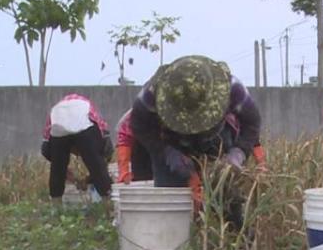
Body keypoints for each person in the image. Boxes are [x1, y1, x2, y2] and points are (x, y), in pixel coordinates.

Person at [128, 55, 262, 228]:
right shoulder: (152, 94)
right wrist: (165, 153)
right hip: (172, 142)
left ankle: (232, 234)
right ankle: (177, 241)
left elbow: (252, 122)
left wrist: (239, 152)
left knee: (225, 193)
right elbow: (139, 126)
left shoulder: (231, 88)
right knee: (171, 201)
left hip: (216, 140)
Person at [115, 106, 268, 184]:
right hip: (147, 147)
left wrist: (262, 165)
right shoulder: (147, 110)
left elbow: (251, 137)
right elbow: (126, 134)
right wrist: (123, 170)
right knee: (148, 182)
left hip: (200, 144)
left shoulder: (228, 113)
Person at [41, 93, 113, 203]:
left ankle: (56, 205)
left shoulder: (56, 110)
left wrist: (64, 170)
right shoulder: (87, 106)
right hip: (85, 127)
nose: (78, 155)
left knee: (57, 169)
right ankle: (107, 201)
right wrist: (98, 170)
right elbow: (103, 131)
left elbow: (46, 148)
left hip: (58, 130)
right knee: (97, 164)